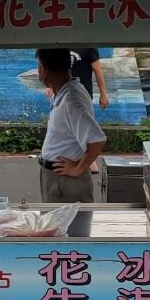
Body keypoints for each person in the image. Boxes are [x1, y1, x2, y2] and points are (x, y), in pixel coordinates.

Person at [36, 49, 107, 203]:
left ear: (43, 69)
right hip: (57, 178)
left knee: (68, 219)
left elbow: (97, 140)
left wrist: (77, 169)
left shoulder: (72, 100)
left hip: (65, 183)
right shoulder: (64, 92)